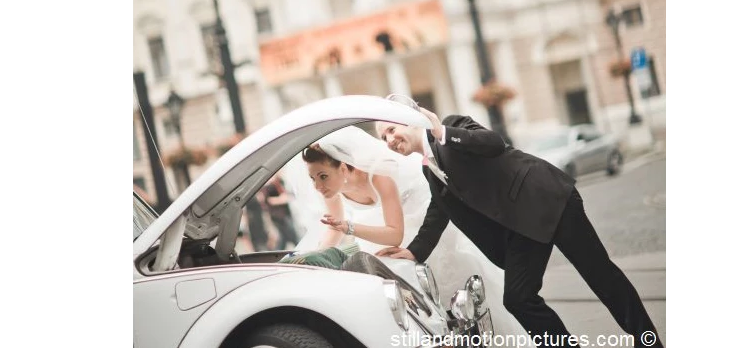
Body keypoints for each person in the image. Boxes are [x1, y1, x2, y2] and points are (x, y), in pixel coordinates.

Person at [375, 105, 663, 348]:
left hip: (547, 199)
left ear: (410, 119)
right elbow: (439, 212)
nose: (389, 140)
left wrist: (442, 132)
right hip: (519, 228)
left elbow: (492, 143)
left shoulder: (451, 127)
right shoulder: (429, 169)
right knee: (518, 298)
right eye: (382, 137)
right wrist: (413, 252)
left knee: (601, 275)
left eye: (390, 130)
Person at [289, 125, 529, 340]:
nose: (318, 186)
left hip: (415, 235)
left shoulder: (379, 175)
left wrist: (349, 227)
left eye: (323, 176)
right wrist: (313, 258)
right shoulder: (332, 191)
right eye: (312, 179)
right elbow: (333, 232)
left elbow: (395, 234)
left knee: (448, 305)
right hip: (378, 248)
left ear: (343, 166)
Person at [261, 173, 299, 248]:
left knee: (284, 238)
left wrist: (286, 197)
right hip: (278, 216)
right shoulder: (268, 186)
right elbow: (268, 201)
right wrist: (282, 199)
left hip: (285, 213)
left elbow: (288, 194)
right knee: (292, 235)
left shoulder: (280, 181)